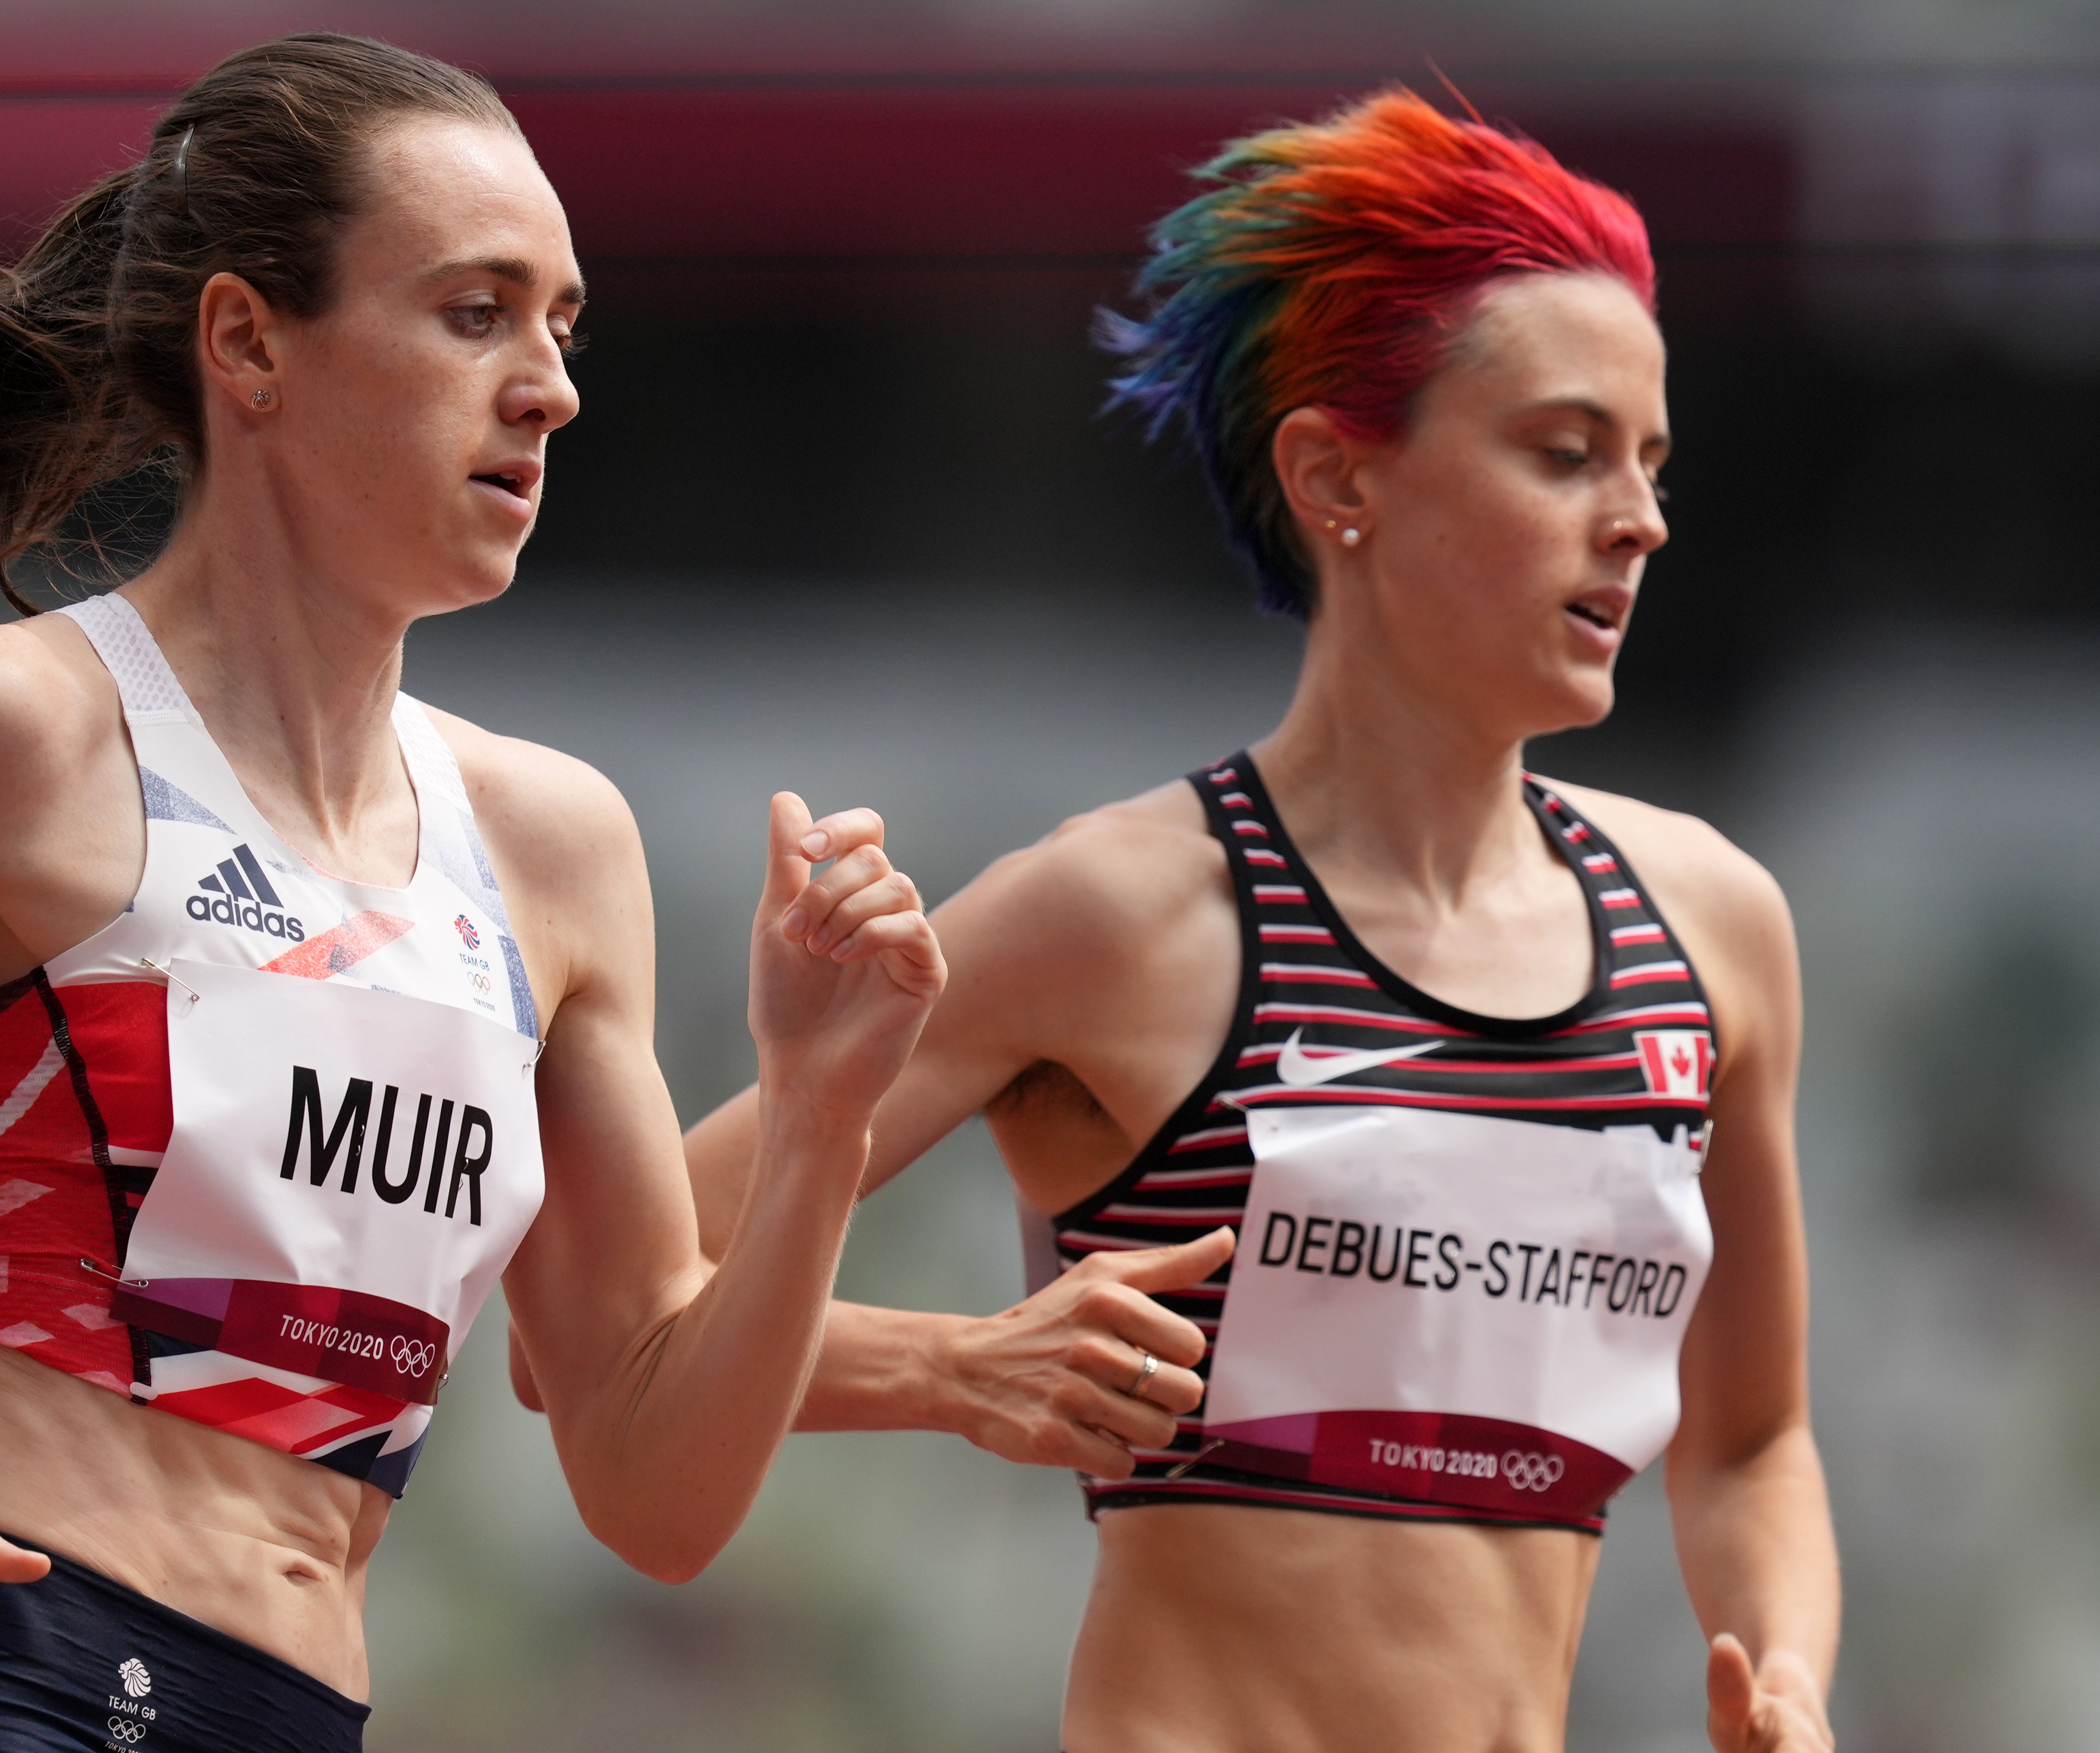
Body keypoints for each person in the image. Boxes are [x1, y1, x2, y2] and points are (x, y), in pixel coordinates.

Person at [0, 29, 945, 1751]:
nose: (550, 386)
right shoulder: (8, 734)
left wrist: (819, 1117)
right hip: (23, 1685)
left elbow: (656, 1496)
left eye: (561, 324)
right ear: (248, 344)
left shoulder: (556, 845)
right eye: (473, 312)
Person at [657, 91, 1838, 1751]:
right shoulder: (1120, 910)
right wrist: (950, 1368)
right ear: (1335, 473)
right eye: (1566, 453)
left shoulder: (1711, 928)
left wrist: (1782, 1670)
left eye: (1648, 464)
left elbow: (1749, 1446)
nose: (1638, 519)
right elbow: (609, 1322)